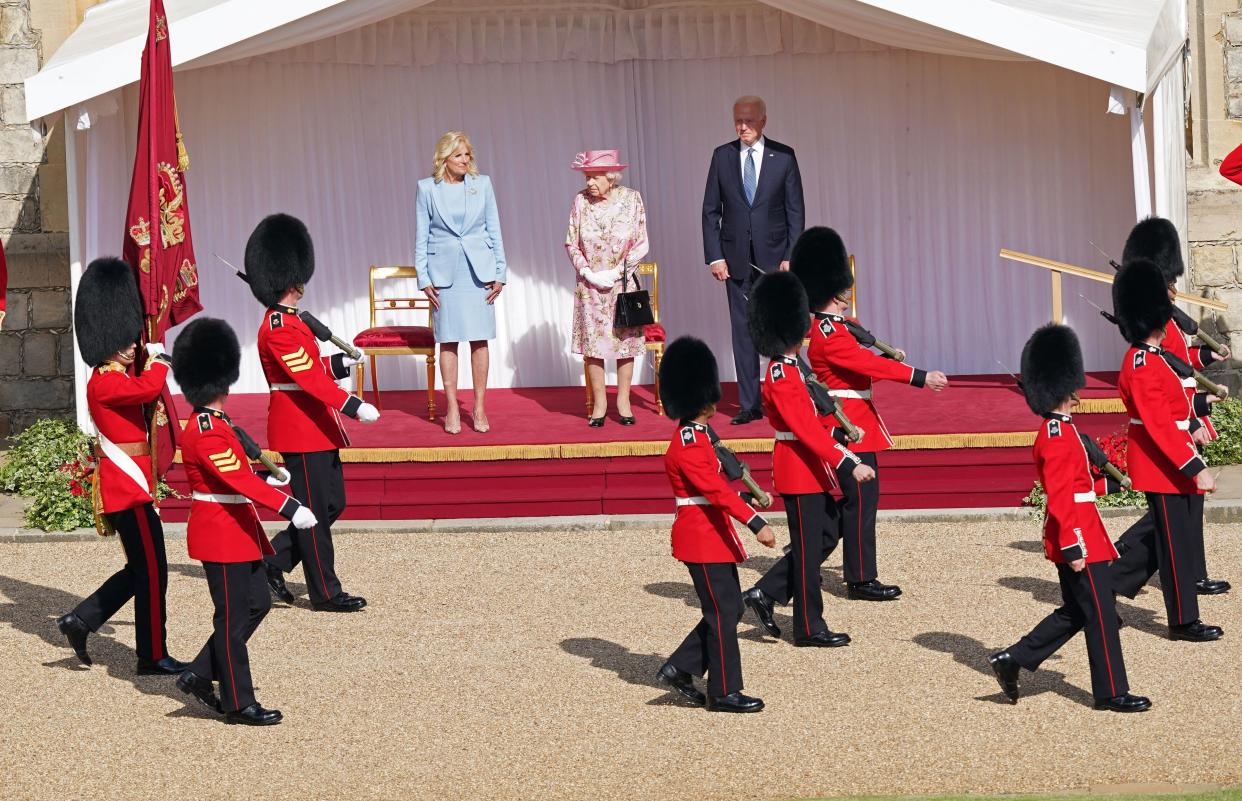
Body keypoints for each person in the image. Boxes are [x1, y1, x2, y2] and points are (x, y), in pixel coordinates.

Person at [988, 324, 1150, 712]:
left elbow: (1077, 487)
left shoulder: (1065, 431)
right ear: (1064, 386)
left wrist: (1108, 489)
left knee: (1079, 611)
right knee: (1102, 615)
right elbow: (1061, 498)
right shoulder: (1058, 436)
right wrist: (1073, 545)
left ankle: (1014, 659)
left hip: (1083, 530)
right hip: (1078, 537)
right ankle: (1111, 692)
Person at [172, 317, 318, 725]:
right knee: (234, 620)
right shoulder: (207, 430)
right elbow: (232, 479)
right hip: (221, 532)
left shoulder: (217, 425)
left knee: (257, 602)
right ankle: (237, 703)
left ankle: (200, 673)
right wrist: (289, 506)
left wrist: (266, 475)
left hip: (235, 529)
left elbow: (234, 473)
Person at [792, 227, 949, 601]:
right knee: (861, 500)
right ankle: (860, 578)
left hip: (855, 416)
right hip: (847, 422)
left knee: (849, 506)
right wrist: (920, 377)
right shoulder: (829, 332)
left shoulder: (838, 326)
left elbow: (865, 347)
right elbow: (865, 363)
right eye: (843, 291)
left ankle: (801, 566)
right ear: (833, 292)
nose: (848, 296)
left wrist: (888, 350)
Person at [54, 257, 185, 676]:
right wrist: (161, 361)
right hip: (127, 492)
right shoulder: (106, 381)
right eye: (126, 340)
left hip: (131, 488)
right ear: (107, 340)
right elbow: (148, 389)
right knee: (154, 573)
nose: (133, 345)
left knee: (142, 571)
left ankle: (82, 619)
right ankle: (152, 655)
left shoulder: (114, 375)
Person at [245, 213, 379, 612]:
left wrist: (341, 364)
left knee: (332, 503)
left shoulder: (292, 320)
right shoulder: (278, 326)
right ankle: (325, 592)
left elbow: (313, 368)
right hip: (299, 427)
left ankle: (274, 561)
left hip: (316, 425)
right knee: (316, 513)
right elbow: (304, 378)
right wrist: (352, 404)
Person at [742, 271, 873, 647]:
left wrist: (840, 433)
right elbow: (803, 430)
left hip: (810, 465)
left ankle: (766, 594)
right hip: (798, 470)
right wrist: (850, 461)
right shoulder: (782, 373)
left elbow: (810, 424)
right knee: (808, 551)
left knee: (827, 533)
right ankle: (809, 626)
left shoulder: (795, 368)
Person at [1110, 217, 1231, 598]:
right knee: (1175, 515)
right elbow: (1169, 376)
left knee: (1186, 510)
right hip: (1175, 418)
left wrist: (1210, 356)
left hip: (1184, 408)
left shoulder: (1169, 321)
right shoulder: (1151, 332)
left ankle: (1188, 573)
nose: (1174, 289)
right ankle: (1129, 560)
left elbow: (1183, 360)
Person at [656, 336, 777, 713]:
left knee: (729, 609)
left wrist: (748, 497)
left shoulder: (703, 436)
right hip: (701, 536)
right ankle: (724, 691)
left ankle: (681, 666)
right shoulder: (689, 442)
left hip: (712, 531)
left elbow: (718, 491)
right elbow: (712, 491)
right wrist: (756, 522)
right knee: (723, 611)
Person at [702, 95, 805, 425]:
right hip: (735, 262)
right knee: (742, 331)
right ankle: (750, 404)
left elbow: (795, 212)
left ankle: (784, 399)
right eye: (737, 120)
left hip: (775, 261)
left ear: (763, 120)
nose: (742, 126)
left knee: (778, 331)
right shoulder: (722, 156)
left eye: (748, 120)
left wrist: (791, 255)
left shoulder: (784, 157)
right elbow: (709, 211)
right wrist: (715, 256)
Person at [415, 131, 508, 434]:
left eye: (468, 154)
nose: (465, 160)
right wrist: (423, 277)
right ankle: (452, 408)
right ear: (444, 159)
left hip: (479, 272)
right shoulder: (427, 189)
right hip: (443, 273)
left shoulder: (482, 185)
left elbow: (494, 229)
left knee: (480, 340)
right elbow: (421, 236)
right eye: (459, 155)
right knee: (448, 340)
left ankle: (479, 407)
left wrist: (500, 272)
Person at [565, 149, 650, 427]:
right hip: (590, 287)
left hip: (622, 284)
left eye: (595, 177)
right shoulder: (580, 202)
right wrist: (588, 271)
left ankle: (623, 401)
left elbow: (641, 242)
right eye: (587, 176)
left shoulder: (632, 199)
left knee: (624, 342)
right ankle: (600, 404)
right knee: (594, 345)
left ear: (611, 177)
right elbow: (571, 242)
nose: (589, 182)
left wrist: (617, 272)